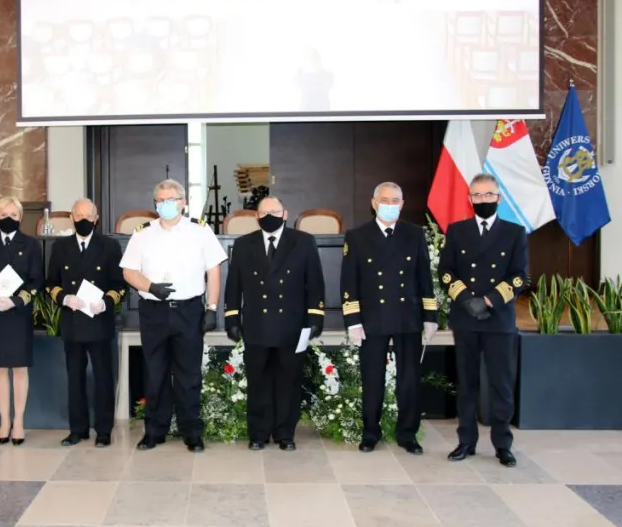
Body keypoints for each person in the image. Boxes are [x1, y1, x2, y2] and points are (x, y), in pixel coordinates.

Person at [120, 179, 227, 453]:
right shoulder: (142, 233)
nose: (165, 204)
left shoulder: (200, 231)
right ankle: (154, 431)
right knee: (154, 374)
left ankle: (191, 432)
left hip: (189, 311)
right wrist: (150, 287)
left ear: (183, 202)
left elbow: (214, 270)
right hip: (153, 312)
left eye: (170, 200)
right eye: (160, 200)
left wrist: (212, 308)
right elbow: (128, 271)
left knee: (188, 375)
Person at [438, 173, 528, 468]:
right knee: (467, 384)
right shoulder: (457, 231)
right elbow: (446, 272)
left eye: (488, 195)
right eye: (477, 195)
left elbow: (519, 276)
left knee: (501, 385)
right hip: (466, 319)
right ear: (470, 199)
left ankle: (503, 445)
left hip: (498, 320)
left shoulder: (515, 233)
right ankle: (466, 441)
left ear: (498, 198)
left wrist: (488, 300)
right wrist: (467, 299)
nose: (483, 200)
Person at [341, 182, 438, 455]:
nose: (390, 204)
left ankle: (408, 434)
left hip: (408, 317)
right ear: (374, 203)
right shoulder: (357, 236)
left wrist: (430, 317)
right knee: (372, 378)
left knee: (409, 380)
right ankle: (370, 432)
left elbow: (424, 277)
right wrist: (353, 320)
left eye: (395, 200)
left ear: (402, 204)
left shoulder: (414, 234)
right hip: (372, 318)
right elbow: (349, 281)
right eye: (385, 200)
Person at [224, 196, 325, 451]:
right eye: (264, 212)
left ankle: (285, 434)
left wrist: (315, 317)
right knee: (258, 382)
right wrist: (232, 318)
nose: (270, 216)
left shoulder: (304, 242)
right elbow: (233, 285)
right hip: (256, 325)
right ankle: (258, 434)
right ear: (256, 216)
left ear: (285, 214)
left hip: (292, 325)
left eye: (275, 211)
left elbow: (315, 283)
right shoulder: (244, 244)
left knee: (288, 382)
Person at [45, 199, 126, 448]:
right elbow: (50, 283)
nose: (83, 220)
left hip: (99, 322)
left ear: (96, 219)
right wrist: (63, 298)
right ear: (71, 217)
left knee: (103, 379)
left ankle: (103, 431)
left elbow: (119, 285)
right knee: (75, 379)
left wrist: (106, 302)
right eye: (79, 215)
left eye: (88, 216)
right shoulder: (61, 247)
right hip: (72, 322)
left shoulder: (109, 246)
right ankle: (77, 430)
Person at [0, 196, 43, 446]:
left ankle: (19, 421)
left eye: (14, 215)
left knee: (20, 368)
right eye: (4, 214)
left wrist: (16, 301)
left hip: (18, 314)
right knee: (0, 369)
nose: (9, 218)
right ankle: (4, 421)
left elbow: (36, 281)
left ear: (21, 217)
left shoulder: (31, 245)